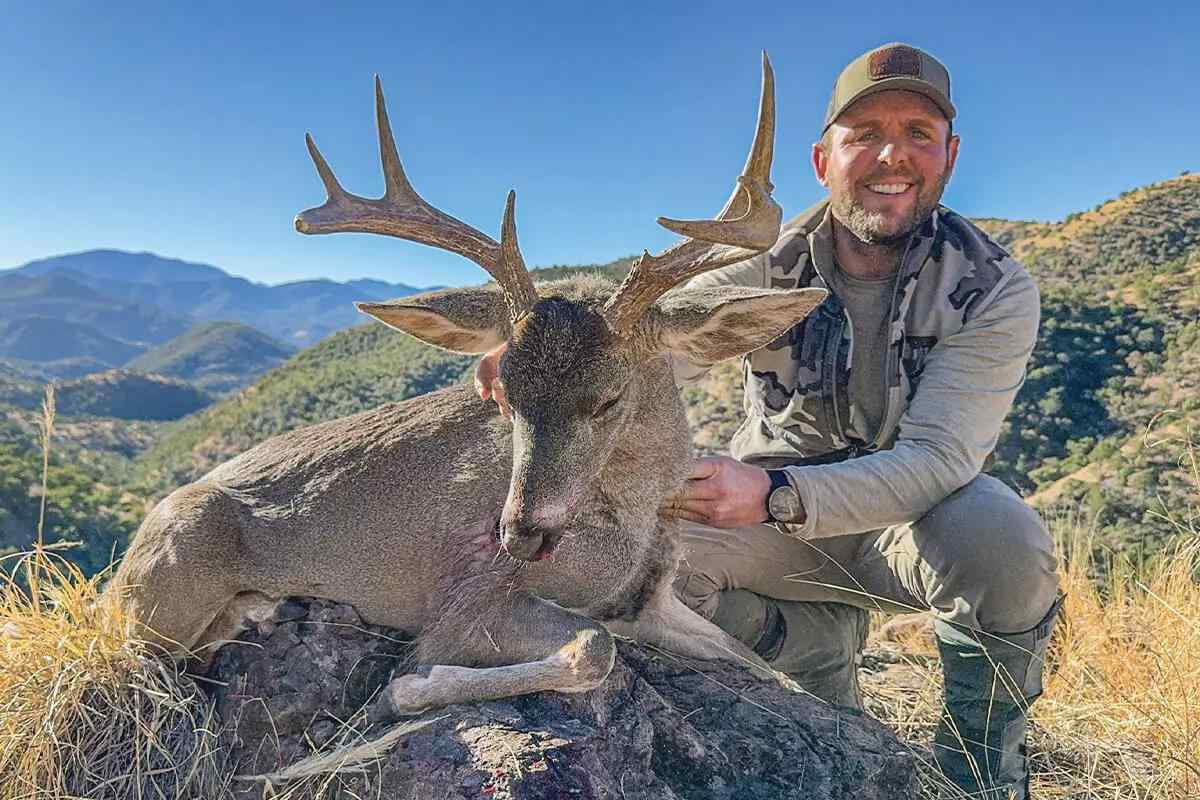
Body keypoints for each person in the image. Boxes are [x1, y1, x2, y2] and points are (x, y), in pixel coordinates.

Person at [477, 43, 1061, 800]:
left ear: (950, 155)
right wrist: (543, 348)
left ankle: (980, 773)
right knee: (624, 565)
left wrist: (777, 494)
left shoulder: (991, 286)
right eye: (864, 135)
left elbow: (942, 458)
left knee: (1005, 539)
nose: (893, 154)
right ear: (824, 160)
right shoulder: (767, 267)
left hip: (908, 523)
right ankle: (817, 664)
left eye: (919, 132)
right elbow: (648, 345)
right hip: (771, 532)